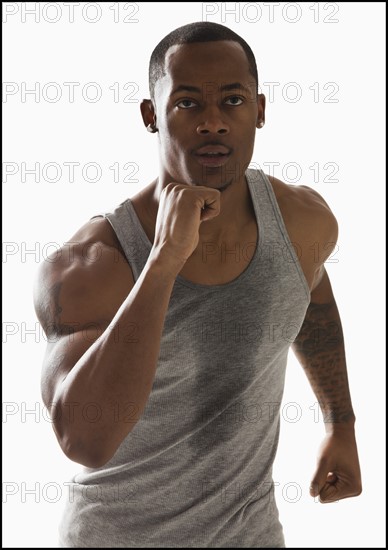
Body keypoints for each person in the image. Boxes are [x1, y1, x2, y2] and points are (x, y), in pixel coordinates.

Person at [34, 21, 362, 548]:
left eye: (232, 100)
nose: (213, 122)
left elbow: (310, 298)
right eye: (187, 104)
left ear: (259, 109)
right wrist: (164, 261)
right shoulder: (90, 264)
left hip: (250, 534)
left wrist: (339, 425)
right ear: (151, 115)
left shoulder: (301, 220)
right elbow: (84, 440)